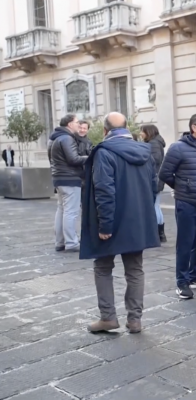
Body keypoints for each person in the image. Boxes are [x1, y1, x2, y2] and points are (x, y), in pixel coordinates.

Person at [80, 112, 160, 334]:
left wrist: (105, 226)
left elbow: (104, 191)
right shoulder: (145, 151)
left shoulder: (104, 153)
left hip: (112, 221)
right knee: (135, 270)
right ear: (127, 128)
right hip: (137, 220)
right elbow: (154, 186)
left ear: (105, 131)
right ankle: (135, 320)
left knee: (103, 267)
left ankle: (108, 318)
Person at [159, 114, 196, 300]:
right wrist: (183, 187)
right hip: (187, 203)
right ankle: (182, 282)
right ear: (194, 128)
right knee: (185, 243)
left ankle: (195, 276)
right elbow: (165, 173)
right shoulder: (178, 148)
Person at [48, 114, 88, 252]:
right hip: (70, 178)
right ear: (70, 124)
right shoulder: (67, 138)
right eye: (77, 122)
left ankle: (60, 242)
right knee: (71, 211)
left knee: (62, 210)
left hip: (59, 178)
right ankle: (71, 242)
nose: (79, 125)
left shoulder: (55, 138)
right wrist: (90, 157)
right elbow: (73, 159)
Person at [141, 124, 167, 243]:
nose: (141, 134)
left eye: (143, 131)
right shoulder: (156, 142)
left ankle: (157, 233)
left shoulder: (153, 144)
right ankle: (160, 233)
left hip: (154, 179)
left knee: (154, 206)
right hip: (157, 179)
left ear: (148, 132)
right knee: (156, 205)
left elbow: (155, 161)